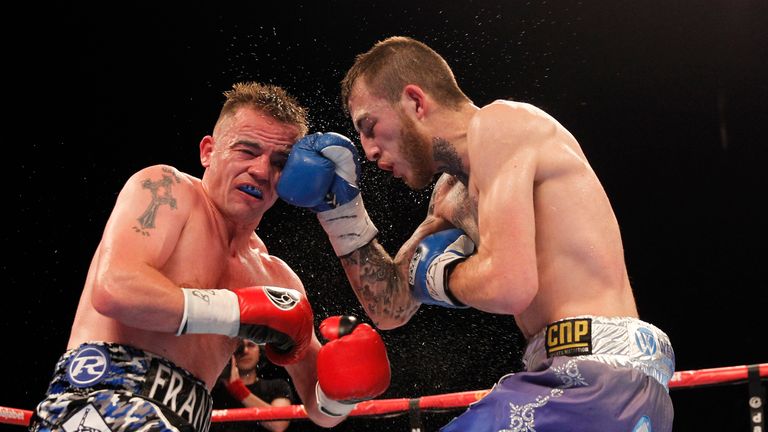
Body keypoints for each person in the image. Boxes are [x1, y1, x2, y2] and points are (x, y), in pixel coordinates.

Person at [276, 36, 675, 432]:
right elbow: (391, 306)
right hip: (581, 379)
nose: (368, 151)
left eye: (370, 127)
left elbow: (510, 285)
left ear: (415, 101)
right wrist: (342, 213)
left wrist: (442, 276)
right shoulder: (451, 193)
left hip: (598, 375)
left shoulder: (502, 125)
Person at [29, 82, 390, 432]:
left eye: (279, 162)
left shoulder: (276, 278)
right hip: (101, 401)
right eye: (247, 151)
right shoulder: (166, 190)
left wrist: (342, 390)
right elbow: (114, 289)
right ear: (208, 151)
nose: (262, 172)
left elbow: (319, 409)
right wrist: (238, 310)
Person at [211, 340, 294, 432]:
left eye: (251, 345)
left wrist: (238, 389)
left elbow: (279, 424)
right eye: (240, 347)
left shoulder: (277, 386)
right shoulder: (213, 390)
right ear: (231, 353)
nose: (245, 351)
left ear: (260, 352)